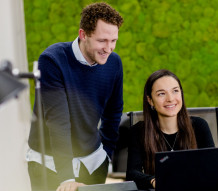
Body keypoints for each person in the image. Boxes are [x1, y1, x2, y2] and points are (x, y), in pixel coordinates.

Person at [26, 2, 124, 191]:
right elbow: (58, 122)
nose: (109, 48)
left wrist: (106, 156)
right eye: (102, 40)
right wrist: (66, 178)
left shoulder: (114, 63)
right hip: (49, 164)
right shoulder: (52, 60)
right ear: (83, 35)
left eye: (114, 41)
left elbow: (114, 112)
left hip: (92, 162)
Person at [126, 69, 215, 189]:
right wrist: (154, 181)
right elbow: (132, 174)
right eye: (161, 93)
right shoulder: (138, 131)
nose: (170, 99)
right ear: (150, 100)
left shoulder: (199, 126)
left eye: (175, 91)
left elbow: (213, 168)